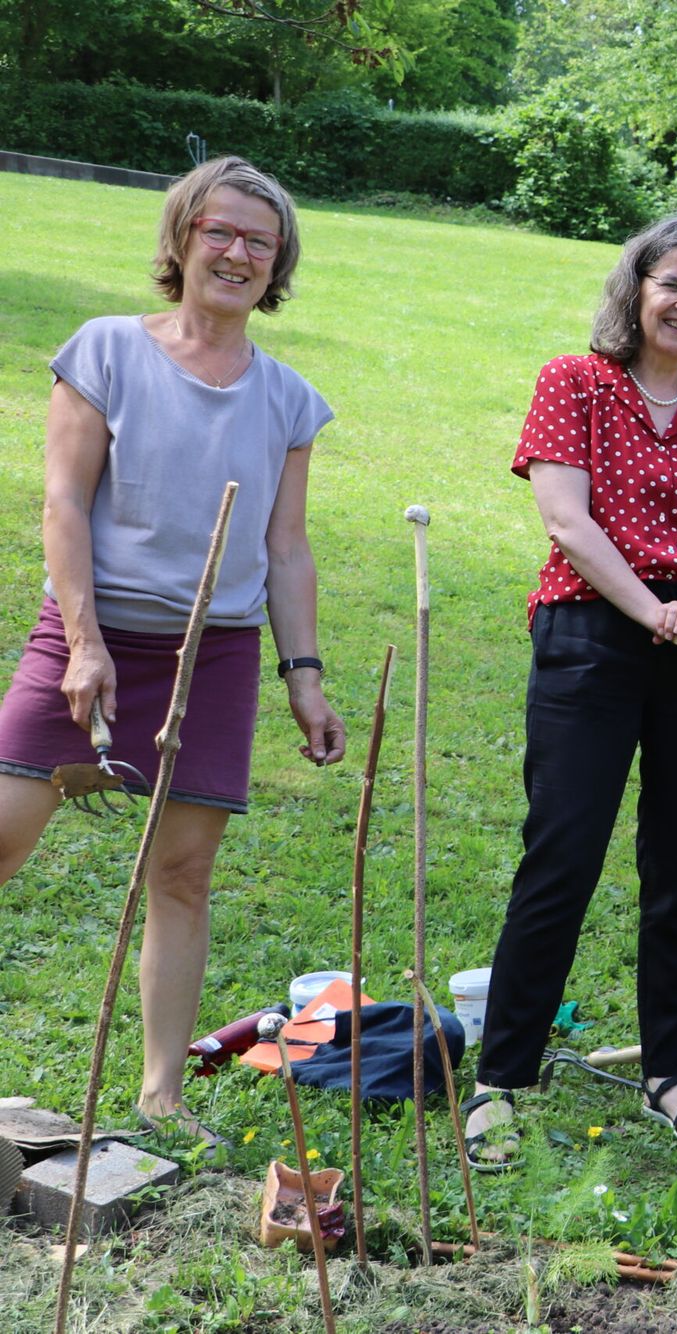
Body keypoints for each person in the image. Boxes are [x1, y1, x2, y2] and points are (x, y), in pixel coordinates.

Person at [0, 156, 346, 1144]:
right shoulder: (106, 350)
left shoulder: (287, 400)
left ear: (276, 265)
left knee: (183, 872)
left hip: (215, 653)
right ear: (183, 239)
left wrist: (304, 677)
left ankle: (161, 1094)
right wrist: (83, 641)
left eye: (259, 241)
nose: (237, 252)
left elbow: (285, 546)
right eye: (220, 233)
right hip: (89, 638)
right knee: (4, 831)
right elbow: (63, 501)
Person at [461, 216, 677, 1164]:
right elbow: (566, 519)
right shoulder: (576, 382)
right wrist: (656, 612)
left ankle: (671, 1074)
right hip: (595, 632)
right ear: (636, 289)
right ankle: (499, 1081)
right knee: (561, 854)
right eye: (673, 284)